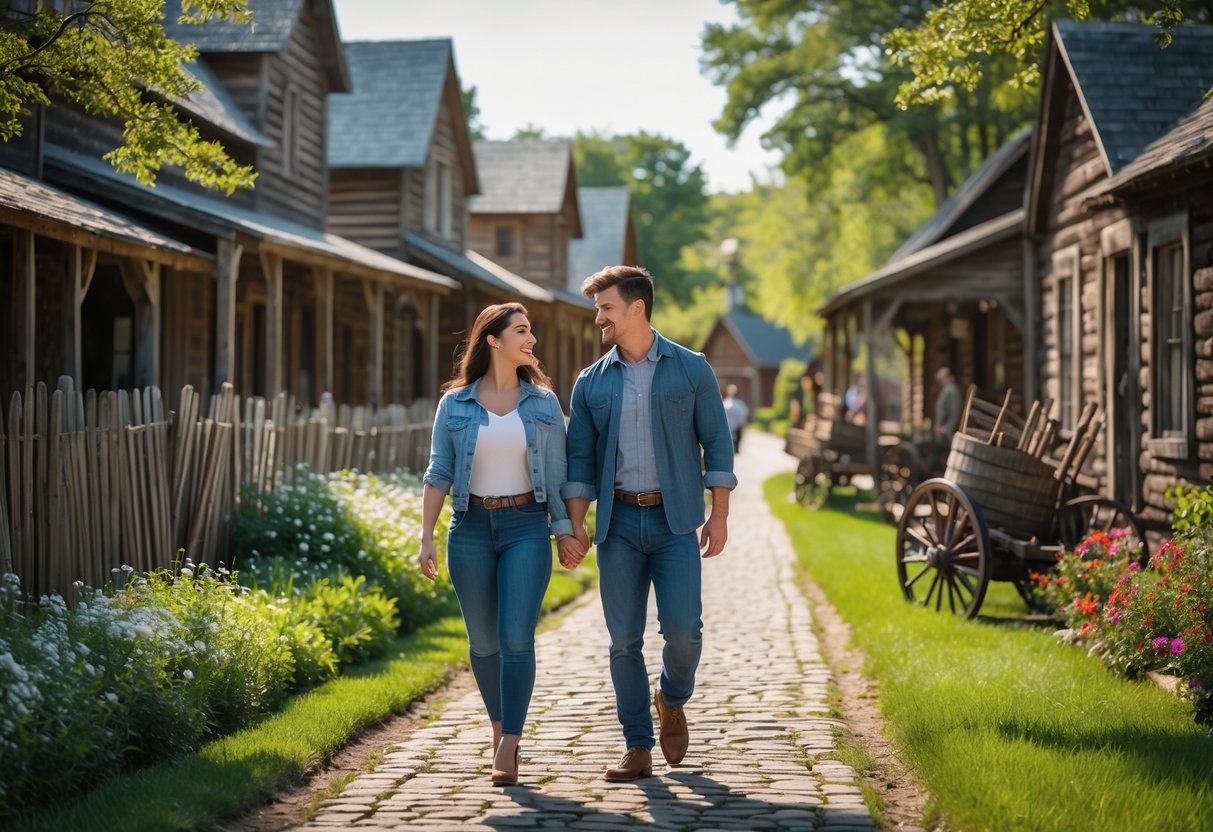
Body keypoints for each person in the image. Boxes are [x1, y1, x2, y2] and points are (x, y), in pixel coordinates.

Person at [561, 265, 737, 782]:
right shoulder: (591, 383)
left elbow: (718, 444)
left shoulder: (691, 369)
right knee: (623, 641)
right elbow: (578, 461)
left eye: (606, 308)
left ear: (637, 308)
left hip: (675, 520)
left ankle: (672, 697)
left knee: (684, 632)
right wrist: (575, 526)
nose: (599, 319)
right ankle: (637, 744)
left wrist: (719, 514)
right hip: (618, 526)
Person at [417, 302, 585, 786]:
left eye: (531, 331)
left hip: (525, 527)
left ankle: (510, 742)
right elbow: (439, 471)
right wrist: (426, 538)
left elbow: (557, 474)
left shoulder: (544, 402)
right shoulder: (455, 404)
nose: (531, 339)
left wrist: (564, 530)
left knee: (516, 639)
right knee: (483, 643)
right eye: (521, 331)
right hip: (468, 529)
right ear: (493, 340)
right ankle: (498, 729)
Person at [933, 366, 961, 442]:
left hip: (948, 434)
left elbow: (955, 411)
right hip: (943, 432)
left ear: (946, 377)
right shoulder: (947, 389)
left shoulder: (951, 390)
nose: (941, 382)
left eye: (941, 380)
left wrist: (946, 428)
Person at [722, 383, 750, 452]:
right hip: (729, 424)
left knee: (737, 436)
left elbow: (744, 413)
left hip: (737, 424)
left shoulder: (738, 403)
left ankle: (736, 448)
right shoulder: (725, 402)